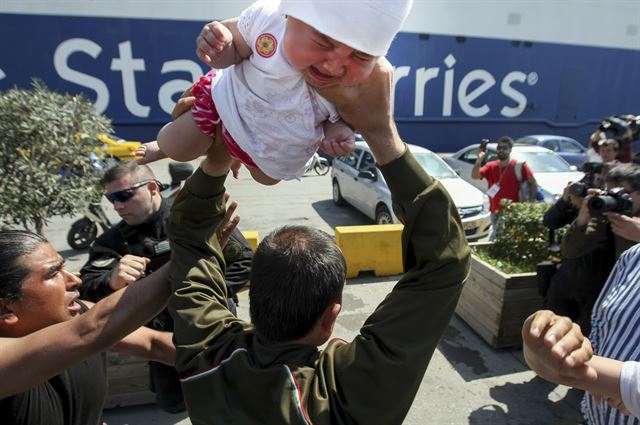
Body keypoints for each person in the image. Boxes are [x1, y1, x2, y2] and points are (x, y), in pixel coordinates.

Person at [164, 54, 471, 423]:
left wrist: (217, 155)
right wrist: (380, 131)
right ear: (331, 318)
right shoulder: (344, 395)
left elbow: (187, 237)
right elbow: (445, 262)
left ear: (253, 294)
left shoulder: (206, 354)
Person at [137, 0, 413, 185]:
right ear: (290, 16)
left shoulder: (361, 85)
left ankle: (234, 153)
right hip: (228, 103)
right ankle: (162, 148)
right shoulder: (268, 22)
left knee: (267, 179)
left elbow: (337, 118)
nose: (334, 65)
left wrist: (338, 133)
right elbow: (233, 52)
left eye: (361, 57)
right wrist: (220, 46)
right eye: (322, 41)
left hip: (272, 143)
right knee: (177, 146)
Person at [79, 160, 253, 413]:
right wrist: (110, 281)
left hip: (212, 330)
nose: (117, 206)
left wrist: (205, 295)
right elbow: (84, 289)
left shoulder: (191, 219)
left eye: (124, 196)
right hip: (160, 342)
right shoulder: (112, 242)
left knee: (226, 395)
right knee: (173, 403)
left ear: (151, 187)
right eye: (111, 199)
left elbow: (245, 262)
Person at [0, 230, 173, 425]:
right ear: (7, 309)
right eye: (53, 274)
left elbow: (155, 344)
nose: (76, 280)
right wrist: (187, 257)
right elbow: (91, 330)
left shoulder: (80, 314)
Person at [523, 243, 640, 424]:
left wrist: (621, 387)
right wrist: (543, 350)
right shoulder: (633, 256)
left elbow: (614, 380)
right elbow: (600, 331)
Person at [542, 182, 615, 335]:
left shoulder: (623, 211)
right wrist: (566, 200)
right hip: (567, 278)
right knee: (551, 331)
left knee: (586, 339)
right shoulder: (588, 199)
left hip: (598, 286)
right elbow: (550, 221)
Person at [561, 163, 640, 261]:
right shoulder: (606, 220)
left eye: (622, 194)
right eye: (610, 193)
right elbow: (570, 251)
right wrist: (582, 219)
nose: (615, 199)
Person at [471, 136, 538, 240]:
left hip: (511, 211)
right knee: (506, 239)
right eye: (499, 147)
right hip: (494, 211)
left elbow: (533, 182)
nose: (501, 150)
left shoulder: (519, 165)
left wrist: (531, 202)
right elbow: (475, 175)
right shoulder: (491, 166)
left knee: (495, 238)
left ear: (510, 150)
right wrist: (479, 159)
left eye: (505, 148)